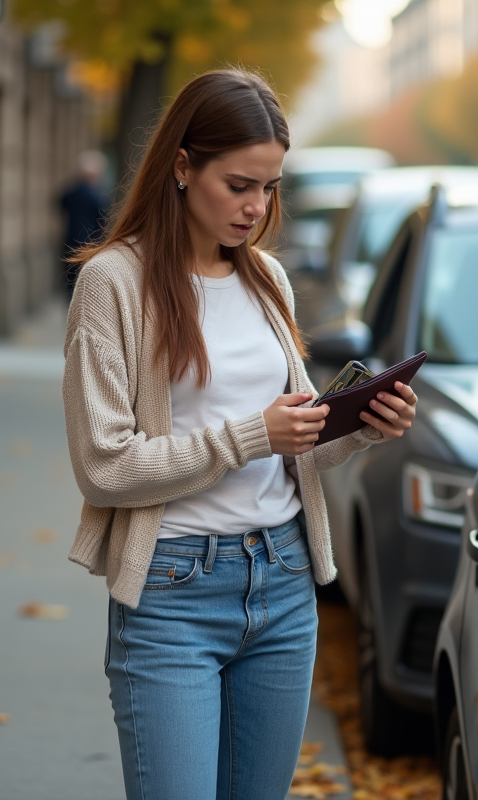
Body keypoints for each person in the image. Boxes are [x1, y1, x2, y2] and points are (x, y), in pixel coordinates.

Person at [61, 68, 417, 799]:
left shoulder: (267, 281)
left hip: (283, 585)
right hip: (171, 593)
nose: (257, 207)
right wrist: (249, 436)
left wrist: (360, 428)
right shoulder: (114, 286)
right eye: (240, 184)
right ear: (183, 167)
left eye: (271, 187)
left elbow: (295, 442)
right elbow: (104, 465)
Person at [58, 150, 110, 300]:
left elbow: (61, 204)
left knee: (70, 283)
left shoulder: (71, 192)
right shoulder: (97, 195)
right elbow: (103, 217)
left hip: (70, 242)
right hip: (89, 244)